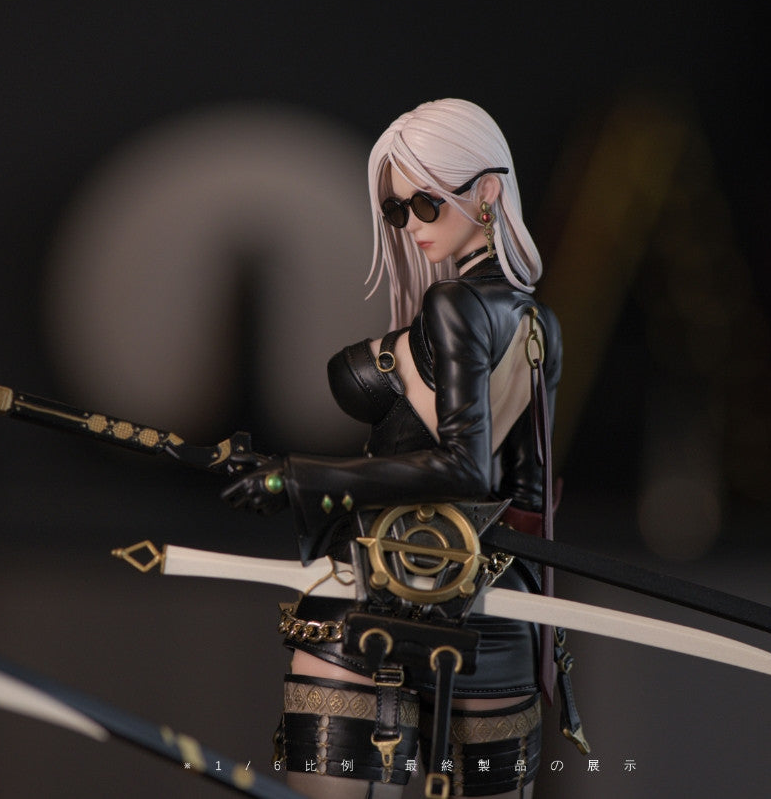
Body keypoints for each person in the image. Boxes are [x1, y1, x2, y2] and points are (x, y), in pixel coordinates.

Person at [223, 98, 562, 799]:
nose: (410, 226)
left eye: (426, 204)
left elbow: (465, 468)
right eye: (395, 210)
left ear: (488, 191)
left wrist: (300, 478)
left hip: (377, 594)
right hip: (496, 613)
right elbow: (525, 497)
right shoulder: (538, 322)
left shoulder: (455, 305)